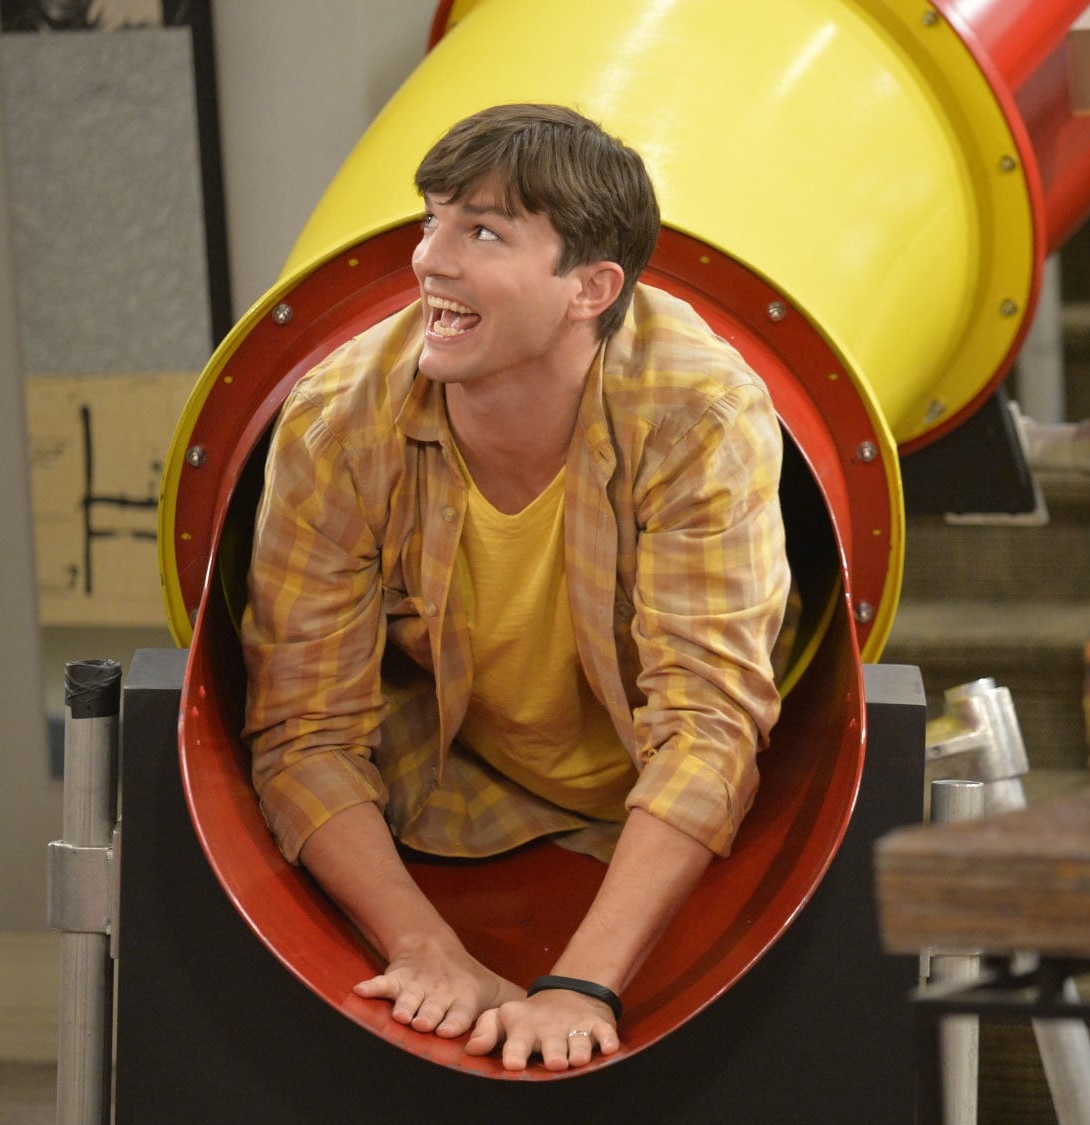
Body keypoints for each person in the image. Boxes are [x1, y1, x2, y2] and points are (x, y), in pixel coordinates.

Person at [241, 103, 789, 1072]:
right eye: (431, 221)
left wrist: (581, 983)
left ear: (590, 288)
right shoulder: (340, 420)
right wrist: (423, 947)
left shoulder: (696, 409)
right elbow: (303, 731)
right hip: (454, 798)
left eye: (482, 232)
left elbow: (710, 723)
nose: (427, 260)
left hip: (671, 809)